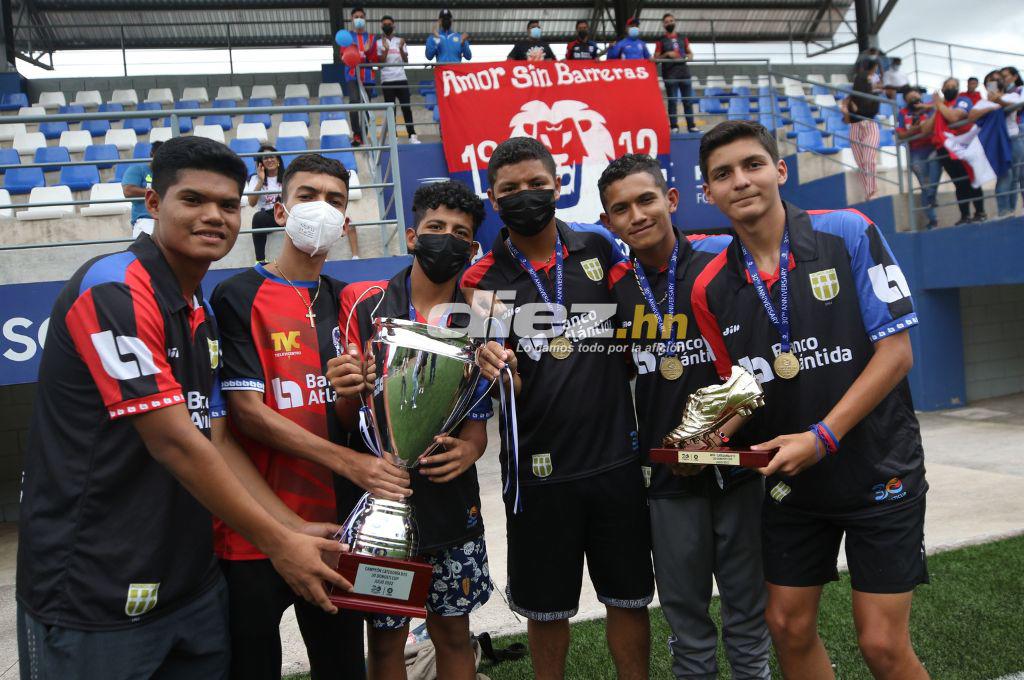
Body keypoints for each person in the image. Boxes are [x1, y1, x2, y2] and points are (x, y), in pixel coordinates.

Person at [16, 136, 352, 680]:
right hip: (94, 589)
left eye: (226, 205)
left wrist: (293, 528)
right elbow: (173, 440)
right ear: (153, 204)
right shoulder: (115, 288)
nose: (212, 216)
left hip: (189, 583)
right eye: (192, 200)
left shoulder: (199, 309)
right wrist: (279, 544)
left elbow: (218, 439)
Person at [692, 120, 930, 680]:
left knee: (881, 644)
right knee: (788, 628)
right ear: (708, 192)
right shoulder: (709, 286)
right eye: (722, 174)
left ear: (779, 170)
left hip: (879, 468)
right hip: (790, 484)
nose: (741, 181)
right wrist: (710, 436)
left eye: (753, 164)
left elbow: (896, 355)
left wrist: (823, 437)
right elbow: (742, 391)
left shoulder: (847, 230)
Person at [213, 153, 410, 680]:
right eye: (308, 196)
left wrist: (356, 394)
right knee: (252, 668)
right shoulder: (237, 294)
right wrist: (349, 463)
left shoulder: (351, 300)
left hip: (336, 529)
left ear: (346, 223)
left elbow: (357, 417)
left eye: (336, 201)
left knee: (341, 666)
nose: (321, 209)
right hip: (256, 528)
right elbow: (247, 416)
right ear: (281, 210)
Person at [468, 137, 653, 680]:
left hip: (616, 462)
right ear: (493, 197)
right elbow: (498, 388)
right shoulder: (484, 281)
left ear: (557, 186)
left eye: (537, 185)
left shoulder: (598, 249)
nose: (526, 195)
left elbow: (634, 335)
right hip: (539, 475)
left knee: (629, 599)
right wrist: (500, 372)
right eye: (510, 189)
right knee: (547, 610)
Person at [598, 154, 771, 680]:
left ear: (671, 200)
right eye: (620, 209)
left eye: (646, 199)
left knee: (747, 614)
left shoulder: (723, 265)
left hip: (738, 467)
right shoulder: (614, 288)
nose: (637, 215)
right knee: (686, 620)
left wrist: (718, 435)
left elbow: (757, 367)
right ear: (608, 224)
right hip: (669, 478)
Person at [331, 180, 493, 680]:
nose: (447, 239)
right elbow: (348, 422)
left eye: (460, 233)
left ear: (472, 249)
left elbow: (477, 427)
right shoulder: (366, 303)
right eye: (435, 228)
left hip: (451, 505)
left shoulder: (482, 316)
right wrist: (344, 390)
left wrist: (467, 452)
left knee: (453, 635)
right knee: (385, 644)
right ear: (411, 236)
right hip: (384, 503)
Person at [932, 77, 986, 224]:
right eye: (947, 86)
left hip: (962, 146)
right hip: (944, 149)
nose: (950, 88)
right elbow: (927, 128)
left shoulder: (962, 100)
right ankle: (965, 215)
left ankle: (980, 212)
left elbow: (954, 117)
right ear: (942, 89)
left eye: (953, 86)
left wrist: (938, 104)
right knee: (959, 182)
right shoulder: (941, 106)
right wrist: (937, 106)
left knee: (971, 178)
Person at [978, 70, 1024, 218]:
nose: (996, 81)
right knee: (1005, 175)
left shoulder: (1013, 94)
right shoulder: (986, 100)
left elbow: (1015, 105)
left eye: (998, 79)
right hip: (997, 141)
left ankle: (1010, 211)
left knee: (1015, 176)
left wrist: (999, 99)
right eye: (991, 80)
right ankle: (1003, 211)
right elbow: (980, 109)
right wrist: (995, 96)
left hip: (1014, 138)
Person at [896, 91, 941, 228]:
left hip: (933, 148)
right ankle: (932, 220)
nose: (914, 99)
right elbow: (901, 135)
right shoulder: (903, 113)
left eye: (916, 96)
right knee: (925, 185)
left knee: (932, 185)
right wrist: (914, 130)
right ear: (905, 100)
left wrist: (929, 107)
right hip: (916, 152)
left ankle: (931, 197)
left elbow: (944, 107)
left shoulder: (929, 107)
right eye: (910, 97)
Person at [337, 6, 378, 147]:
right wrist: (358, 53)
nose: (359, 19)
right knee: (354, 102)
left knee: (367, 106)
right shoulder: (347, 37)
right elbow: (344, 57)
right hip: (352, 76)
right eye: (356, 17)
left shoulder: (372, 38)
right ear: (352, 19)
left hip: (368, 77)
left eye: (361, 16)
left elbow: (374, 60)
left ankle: (363, 134)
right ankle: (356, 134)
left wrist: (367, 52)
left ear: (365, 19)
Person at [842, 59, 882, 200]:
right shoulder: (850, 98)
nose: (871, 79)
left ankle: (872, 192)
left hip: (869, 125)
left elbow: (871, 112)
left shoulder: (874, 94)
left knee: (869, 159)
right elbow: (847, 119)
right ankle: (869, 193)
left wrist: (857, 110)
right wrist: (847, 110)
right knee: (861, 163)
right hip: (854, 127)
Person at [377, 15, 419, 144]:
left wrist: (401, 48)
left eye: (389, 24)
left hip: (401, 78)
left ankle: (412, 135)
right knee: (391, 110)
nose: (387, 26)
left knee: (406, 108)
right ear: (382, 26)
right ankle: (393, 137)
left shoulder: (400, 40)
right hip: (387, 80)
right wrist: (386, 49)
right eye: (385, 24)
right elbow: (380, 63)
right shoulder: (378, 43)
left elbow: (406, 60)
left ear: (393, 26)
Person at [654, 13, 698, 133]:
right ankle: (674, 127)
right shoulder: (660, 41)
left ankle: (691, 126)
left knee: (688, 101)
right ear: (663, 24)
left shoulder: (683, 38)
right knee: (672, 101)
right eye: (667, 21)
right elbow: (655, 59)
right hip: (670, 75)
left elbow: (690, 54)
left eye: (671, 21)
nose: (669, 23)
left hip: (684, 73)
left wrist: (687, 56)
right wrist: (667, 54)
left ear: (675, 22)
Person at [244, 144, 282, 264]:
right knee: (258, 217)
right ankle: (260, 260)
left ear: (278, 159)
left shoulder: (288, 176)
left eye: (272, 157)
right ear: (261, 163)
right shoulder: (255, 179)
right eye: (265, 158)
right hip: (268, 217)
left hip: (285, 213)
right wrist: (261, 180)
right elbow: (252, 203)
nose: (269, 160)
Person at [123, 140, 163, 238]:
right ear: (151, 154)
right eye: (159, 155)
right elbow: (128, 191)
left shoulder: (171, 173)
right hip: (146, 218)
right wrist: (157, 192)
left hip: (167, 219)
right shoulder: (138, 170)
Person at [1002, 66, 1024, 210]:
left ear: (1015, 76)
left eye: (1006, 76)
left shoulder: (1020, 89)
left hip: (1020, 129)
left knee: (1021, 174)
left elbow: (1019, 105)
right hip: (1013, 133)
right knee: (1016, 174)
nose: (1004, 79)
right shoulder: (1003, 93)